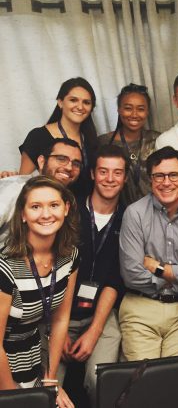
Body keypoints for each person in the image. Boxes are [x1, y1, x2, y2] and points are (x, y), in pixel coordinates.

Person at [119, 146, 178, 361]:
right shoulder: (134, 214)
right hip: (141, 308)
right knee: (143, 379)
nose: (166, 182)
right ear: (151, 180)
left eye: (173, 175)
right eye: (159, 176)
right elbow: (131, 275)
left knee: (175, 378)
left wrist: (160, 269)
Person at [57, 145, 128, 406]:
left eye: (117, 173)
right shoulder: (68, 212)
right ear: (92, 175)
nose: (110, 179)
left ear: (125, 177)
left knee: (103, 381)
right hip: (56, 311)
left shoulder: (129, 218)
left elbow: (116, 280)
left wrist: (95, 330)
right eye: (103, 171)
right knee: (46, 387)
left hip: (101, 312)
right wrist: (59, 329)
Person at [0, 176, 80, 408]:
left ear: (66, 209)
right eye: (36, 206)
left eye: (54, 205)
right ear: (23, 215)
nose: (46, 214)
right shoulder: (6, 266)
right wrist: (16, 399)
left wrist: (51, 382)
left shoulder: (69, 256)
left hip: (33, 357)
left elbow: (60, 319)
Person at [18, 77, 98, 196]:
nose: (80, 107)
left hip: (82, 210)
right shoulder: (38, 136)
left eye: (86, 102)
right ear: (60, 102)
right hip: (49, 208)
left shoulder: (92, 141)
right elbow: (22, 182)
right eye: (73, 100)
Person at [0, 138, 83, 248]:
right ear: (42, 161)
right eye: (61, 159)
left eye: (76, 164)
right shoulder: (15, 188)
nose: (69, 167)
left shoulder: (69, 203)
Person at [98, 83, 160, 206]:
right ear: (119, 109)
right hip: (117, 213)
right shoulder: (103, 143)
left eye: (141, 109)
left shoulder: (158, 140)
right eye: (128, 108)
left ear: (147, 112)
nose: (134, 114)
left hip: (155, 211)